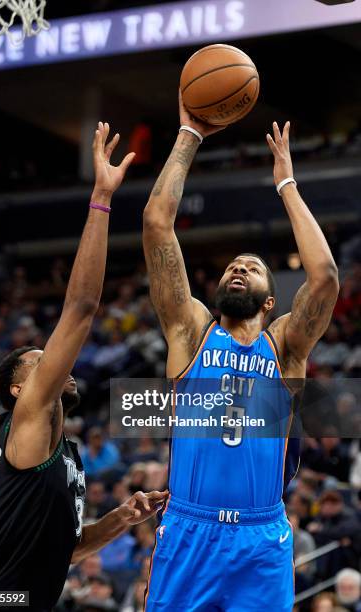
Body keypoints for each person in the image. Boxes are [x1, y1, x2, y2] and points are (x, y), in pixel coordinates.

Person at [142, 93, 339, 611]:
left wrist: (286, 184)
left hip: (260, 538)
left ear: (271, 300)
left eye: (250, 267)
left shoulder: (285, 346)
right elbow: (157, 225)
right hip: (189, 527)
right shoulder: (191, 332)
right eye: (232, 265)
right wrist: (190, 136)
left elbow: (323, 277)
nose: (237, 269)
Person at [0, 122, 167, 612]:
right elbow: (79, 307)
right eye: (37, 362)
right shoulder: (30, 416)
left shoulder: (59, 450)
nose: (53, 364)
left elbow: (65, 552)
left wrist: (118, 520)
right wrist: (100, 198)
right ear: (16, 390)